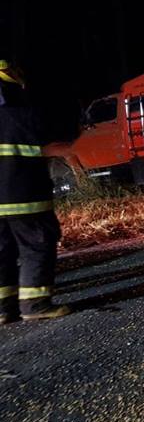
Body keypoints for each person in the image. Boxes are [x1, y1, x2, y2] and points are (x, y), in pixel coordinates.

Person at [0, 59, 69, 323]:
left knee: (1, 252)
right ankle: (35, 305)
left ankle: (3, 310)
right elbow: (48, 145)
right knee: (36, 246)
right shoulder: (23, 111)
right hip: (24, 197)